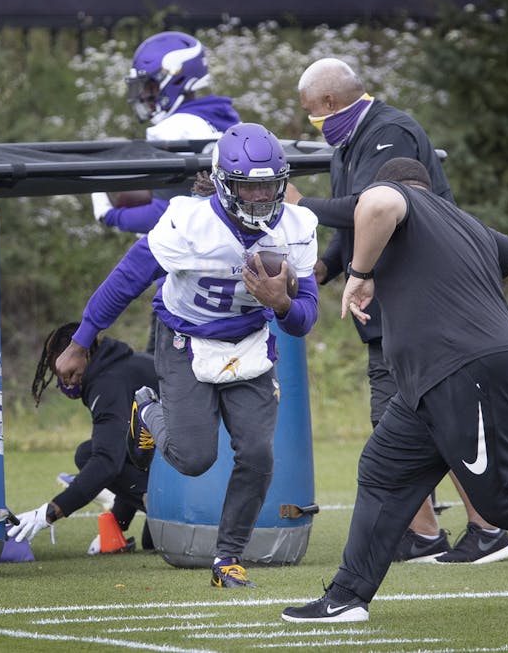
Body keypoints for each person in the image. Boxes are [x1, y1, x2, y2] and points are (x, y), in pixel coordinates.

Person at [282, 158, 508, 623]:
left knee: (503, 497)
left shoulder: (395, 200)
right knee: (382, 470)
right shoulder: (468, 226)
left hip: (467, 370)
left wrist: (357, 272)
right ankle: (347, 596)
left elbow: (377, 205)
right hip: (433, 382)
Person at [56, 123, 320, 588]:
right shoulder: (188, 221)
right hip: (186, 338)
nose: (260, 196)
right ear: (223, 182)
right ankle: (148, 410)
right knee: (194, 457)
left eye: (268, 184)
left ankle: (227, 559)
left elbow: (304, 317)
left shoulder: (297, 227)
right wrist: (81, 342)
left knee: (258, 454)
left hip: (249, 342)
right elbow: (127, 279)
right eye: (248, 185)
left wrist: (280, 303)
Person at [287, 57, 508, 564]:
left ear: (328, 103)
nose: (311, 123)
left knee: (435, 417)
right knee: (398, 420)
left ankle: (489, 527)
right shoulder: (346, 144)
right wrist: (327, 268)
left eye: (310, 113)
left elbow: (377, 207)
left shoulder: (392, 131)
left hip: (423, 304)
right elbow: (357, 225)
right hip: (387, 311)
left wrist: (302, 206)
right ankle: (425, 535)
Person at [8, 323, 158, 553]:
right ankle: (161, 504)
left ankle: (163, 504)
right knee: (152, 540)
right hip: (191, 466)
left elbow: (108, 463)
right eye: (58, 372)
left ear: (84, 352)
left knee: (88, 455)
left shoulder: (108, 383)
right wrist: (117, 524)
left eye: (66, 367)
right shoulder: (118, 367)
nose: (64, 380)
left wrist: (49, 512)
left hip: (199, 476)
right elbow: (128, 454)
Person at [91, 31, 240, 235]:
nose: (143, 94)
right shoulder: (229, 120)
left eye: (149, 86)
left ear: (173, 79)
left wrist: (109, 215)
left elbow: (164, 216)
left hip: (191, 252)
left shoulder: (171, 130)